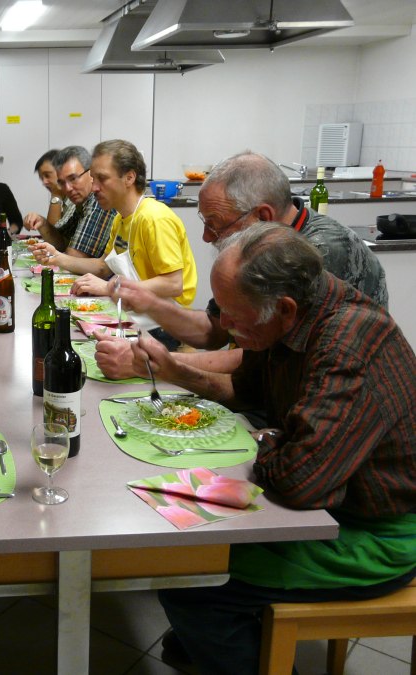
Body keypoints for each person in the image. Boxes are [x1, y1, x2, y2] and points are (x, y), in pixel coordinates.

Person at [137, 223, 416, 675]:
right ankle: (216, 641)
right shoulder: (295, 313)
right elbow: (247, 390)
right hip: (336, 505)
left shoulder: (347, 342)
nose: (224, 327)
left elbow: (301, 484)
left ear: (284, 309)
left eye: (233, 316)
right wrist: (174, 369)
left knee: (189, 582)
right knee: (192, 547)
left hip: (380, 534)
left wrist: (269, 440)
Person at [95, 150, 389, 379]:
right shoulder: (258, 248)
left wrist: (150, 362)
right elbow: (215, 329)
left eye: (215, 224)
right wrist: (150, 303)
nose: (206, 237)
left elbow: (259, 361)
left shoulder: (318, 254)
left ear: (262, 217)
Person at [31, 140, 197, 350]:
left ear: (129, 177)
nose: (94, 188)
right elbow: (103, 266)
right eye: (94, 179)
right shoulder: (121, 219)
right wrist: (56, 257)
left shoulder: (154, 218)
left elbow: (173, 284)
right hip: (137, 314)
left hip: (163, 326)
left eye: (102, 179)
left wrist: (111, 288)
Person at [23, 145, 115, 258]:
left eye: (73, 178)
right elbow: (61, 242)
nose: (68, 188)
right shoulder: (82, 202)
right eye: (62, 182)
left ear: (91, 173)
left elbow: (76, 257)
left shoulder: (98, 200)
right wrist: (42, 223)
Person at [22, 149, 75, 239]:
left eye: (47, 175)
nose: (44, 182)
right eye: (41, 178)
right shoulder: (63, 198)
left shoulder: (75, 198)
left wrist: (55, 195)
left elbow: (56, 239)